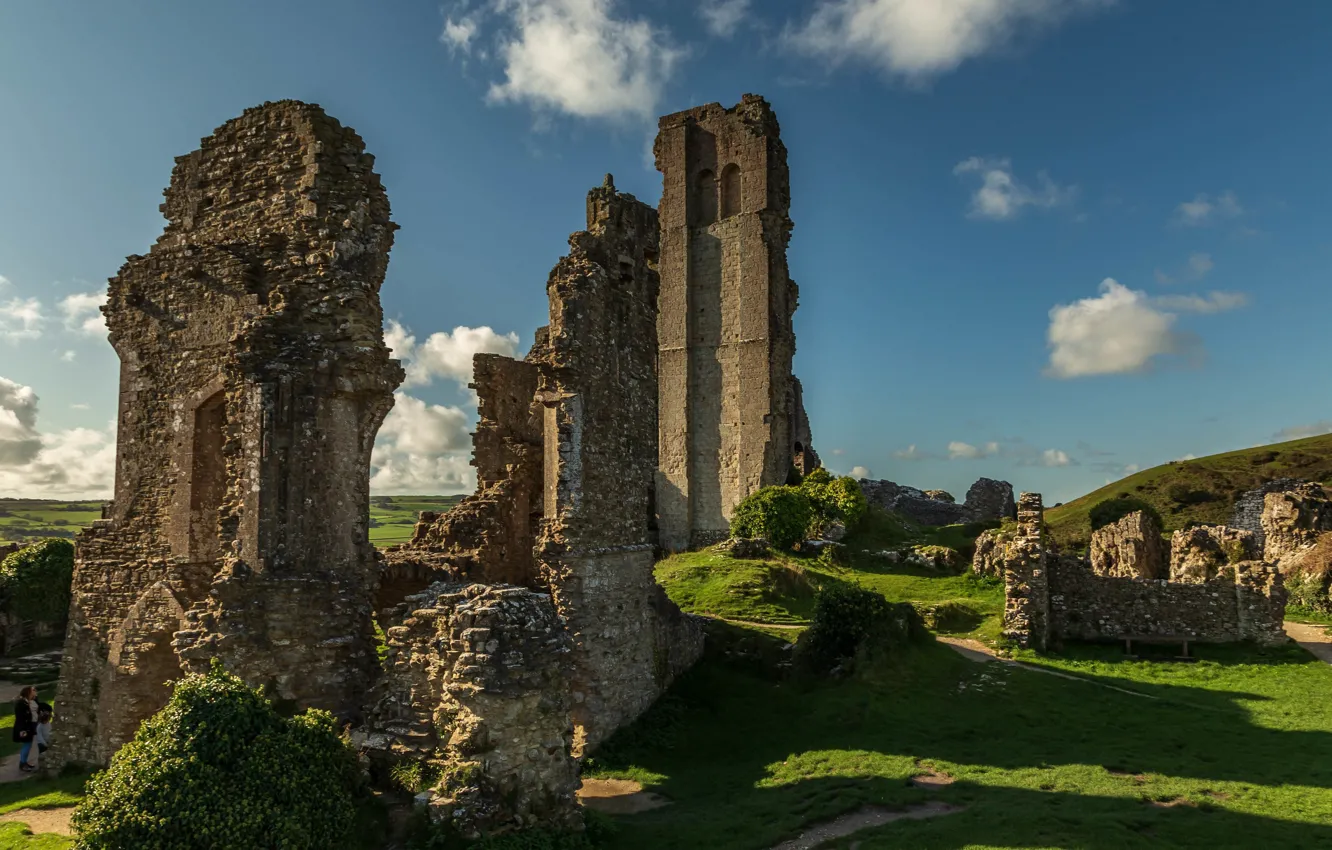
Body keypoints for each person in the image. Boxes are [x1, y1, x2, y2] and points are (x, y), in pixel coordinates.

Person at [12, 686, 39, 772]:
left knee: (28, 744)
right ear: (28, 692)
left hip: (29, 727)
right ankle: (22, 763)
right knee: (27, 744)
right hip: (24, 728)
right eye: (33, 690)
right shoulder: (21, 703)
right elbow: (20, 718)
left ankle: (24, 762)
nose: (35, 691)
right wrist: (22, 730)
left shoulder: (29, 701)